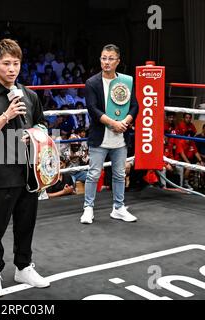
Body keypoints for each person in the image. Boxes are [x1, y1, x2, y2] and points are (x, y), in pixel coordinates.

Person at [0, 39, 50, 298]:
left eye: (16, 63)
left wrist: (33, 134)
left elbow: (42, 125)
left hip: (29, 169)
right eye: (6, 63)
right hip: (0, 170)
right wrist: (6, 116)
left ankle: (24, 266)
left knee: (26, 222)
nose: (12, 69)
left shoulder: (30, 95)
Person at [80, 44, 139, 225]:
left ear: (118, 61)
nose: (106, 62)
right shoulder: (92, 83)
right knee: (94, 173)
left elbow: (135, 106)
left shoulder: (126, 82)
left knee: (120, 174)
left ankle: (118, 208)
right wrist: (114, 123)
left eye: (110, 58)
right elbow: (93, 109)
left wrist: (125, 122)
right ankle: (88, 208)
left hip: (120, 137)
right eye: (104, 58)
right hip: (100, 136)